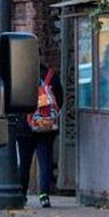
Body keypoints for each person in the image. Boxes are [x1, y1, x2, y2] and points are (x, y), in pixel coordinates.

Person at [17, 62, 64, 207]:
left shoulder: (21, 77)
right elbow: (60, 100)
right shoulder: (51, 75)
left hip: (25, 127)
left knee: (25, 163)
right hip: (47, 127)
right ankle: (44, 195)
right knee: (45, 161)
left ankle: (22, 195)